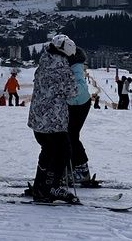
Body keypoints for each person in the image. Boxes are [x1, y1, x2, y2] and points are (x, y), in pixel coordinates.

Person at [25, 35, 79, 203]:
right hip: (54, 121)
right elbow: (73, 92)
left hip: (37, 119)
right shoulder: (62, 69)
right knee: (63, 152)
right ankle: (51, 187)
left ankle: (40, 186)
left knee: (47, 151)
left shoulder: (44, 62)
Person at [66, 46, 93, 185]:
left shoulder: (74, 69)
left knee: (71, 136)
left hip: (78, 104)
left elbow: (77, 91)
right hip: (81, 104)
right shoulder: (76, 67)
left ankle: (81, 169)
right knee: (70, 136)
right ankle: (74, 167)